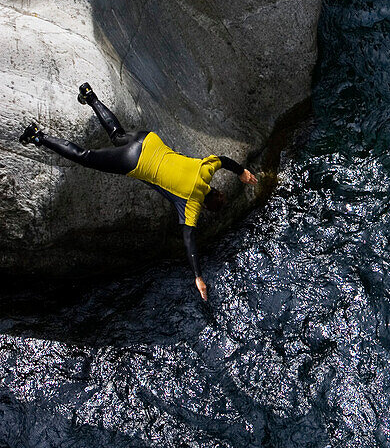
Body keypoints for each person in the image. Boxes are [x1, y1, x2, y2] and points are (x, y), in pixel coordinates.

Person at [19, 84, 257, 301]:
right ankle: (37, 136)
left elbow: (224, 160)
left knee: (117, 136)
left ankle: (90, 96)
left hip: (149, 140)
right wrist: (198, 276)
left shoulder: (204, 170)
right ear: (206, 205)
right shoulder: (190, 206)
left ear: (214, 190)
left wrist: (242, 172)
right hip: (135, 161)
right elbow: (189, 241)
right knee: (85, 157)